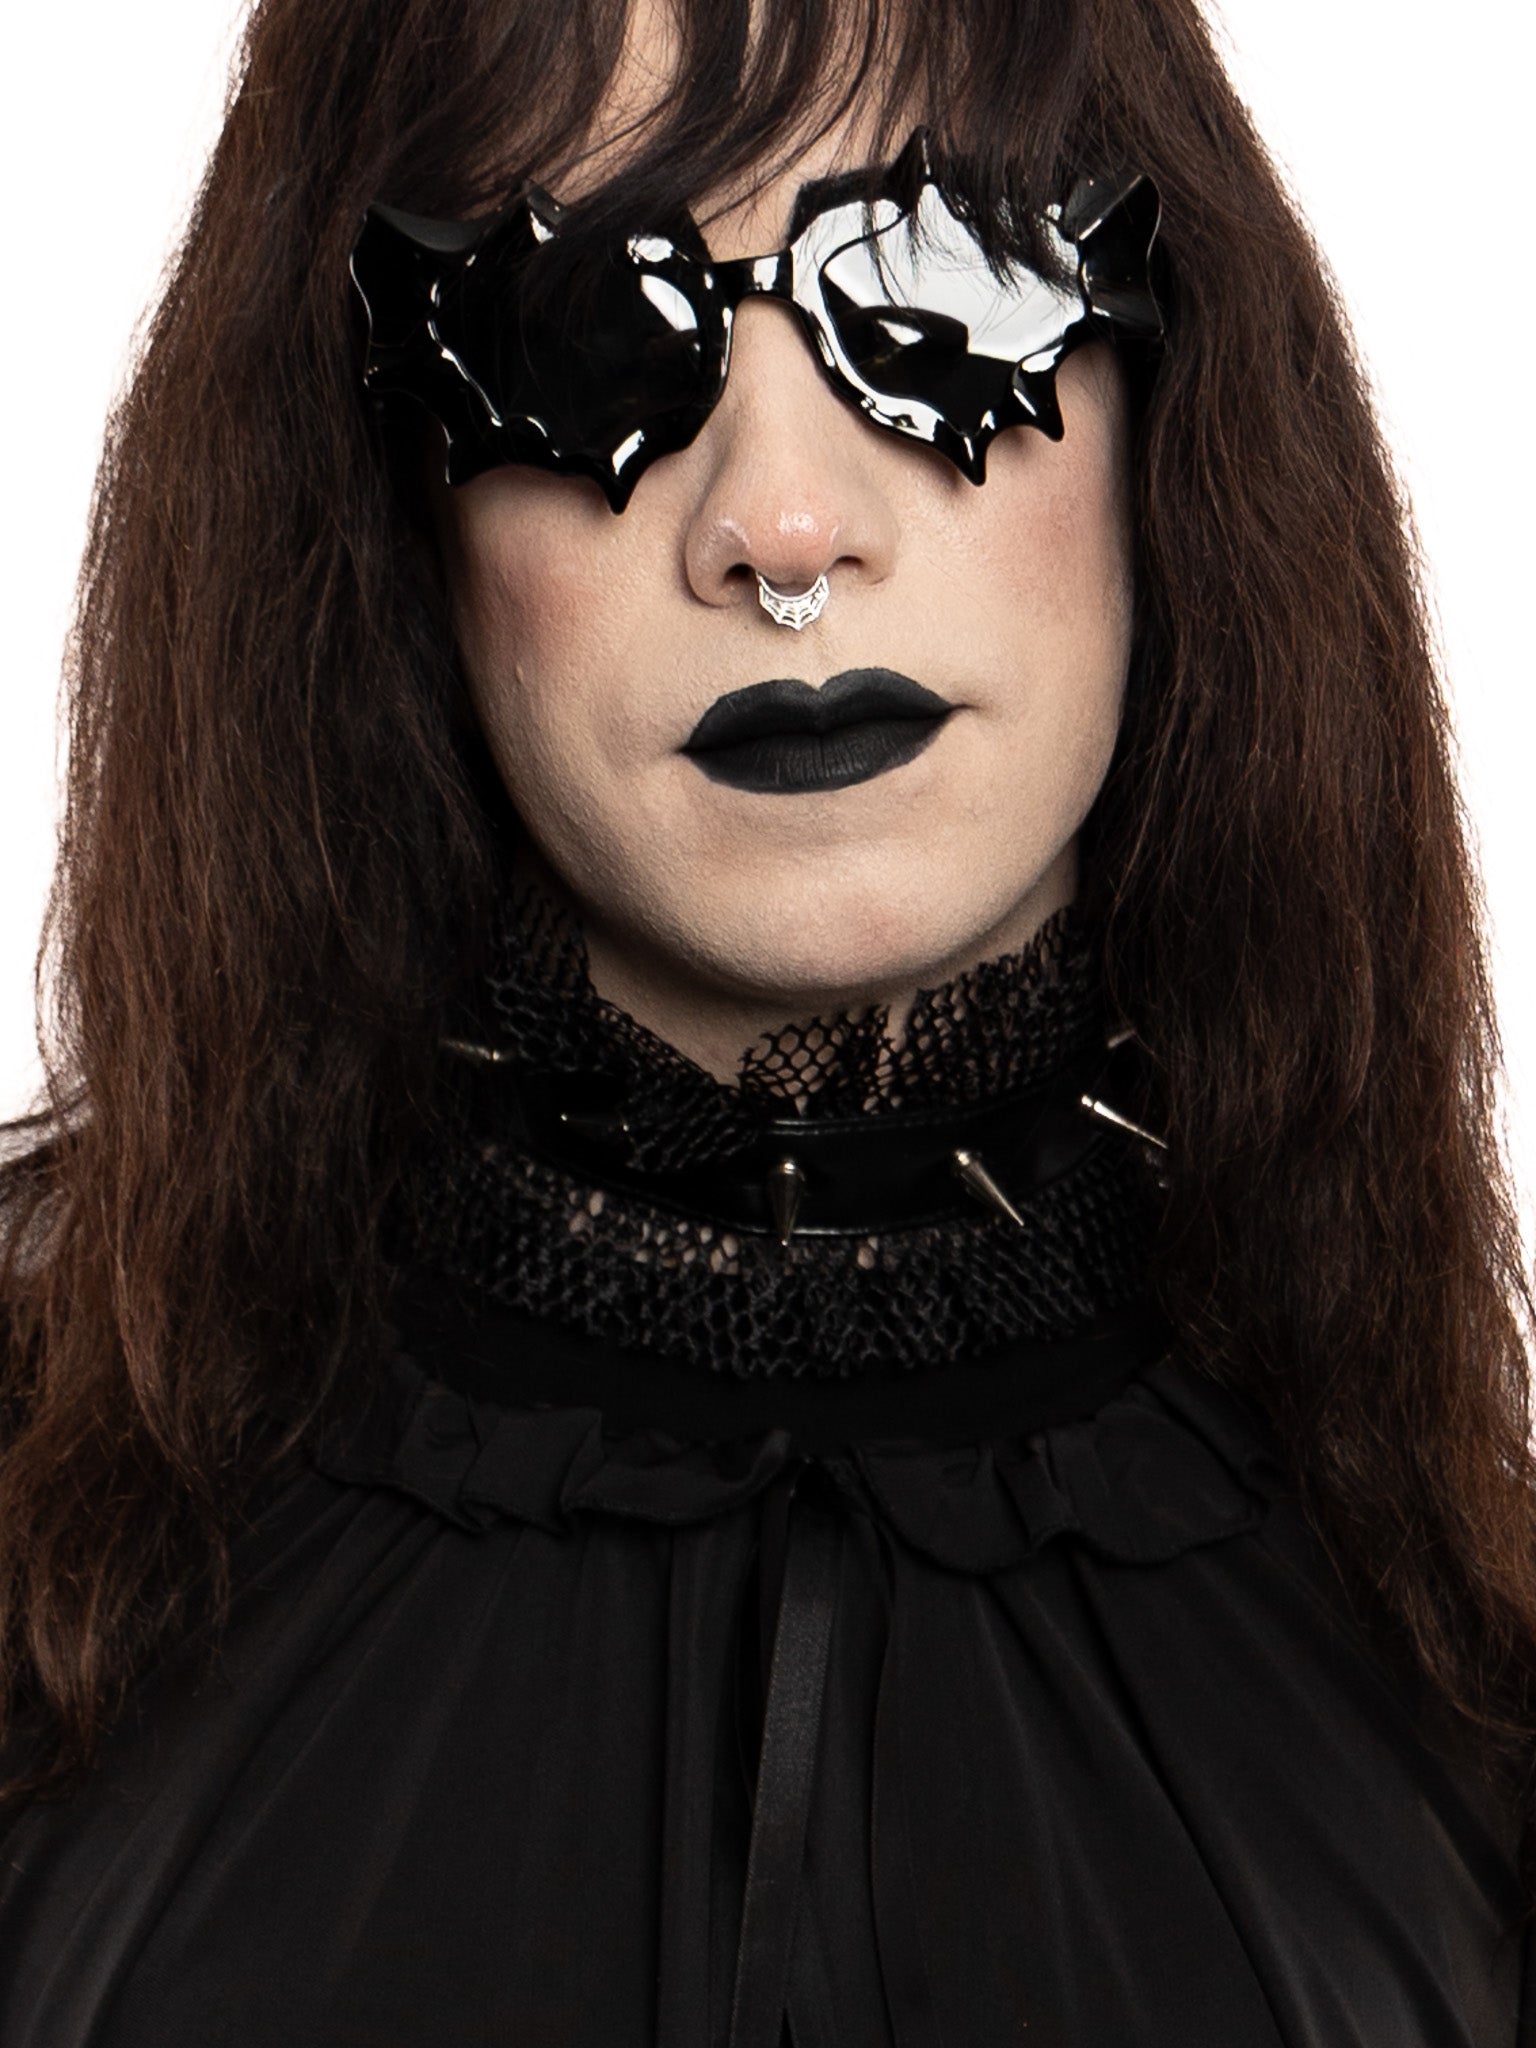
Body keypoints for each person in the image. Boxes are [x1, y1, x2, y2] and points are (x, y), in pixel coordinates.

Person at [0, 0, 1532, 2039]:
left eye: (944, 275)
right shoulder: (47, 1532)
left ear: (1174, 377)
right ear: (381, 483)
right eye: (577, 322)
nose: (787, 532)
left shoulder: (1461, 1643)